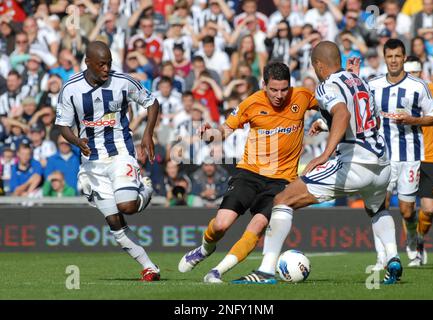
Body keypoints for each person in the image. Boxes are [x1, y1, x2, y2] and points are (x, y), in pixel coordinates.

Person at [234, 41, 403, 285]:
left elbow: (343, 113)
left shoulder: (326, 85)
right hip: (382, 163)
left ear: (319, 65)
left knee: (282, 200)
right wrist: (325, 124)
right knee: (377, 209)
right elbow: (365, 117)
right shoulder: (359, 80)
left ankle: (265, 271)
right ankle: (393, 258)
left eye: (314, 67)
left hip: (355, 162)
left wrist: (325, 154)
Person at [177, 62, 318, 283]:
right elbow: (225, 130)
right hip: (250, 173)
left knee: (259, 225)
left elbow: (334, 106)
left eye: (284, 89)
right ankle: (205, 249)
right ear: (264, 85)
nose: (279, 95)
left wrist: (323, 123)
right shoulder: (251, 103)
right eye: (274, 89)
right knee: (222, 224)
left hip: (281, 181)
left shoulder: (302, 96)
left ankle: (217, 272)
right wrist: (209, 134)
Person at [55, 41, 161, 282]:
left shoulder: (123, 82)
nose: (106, 68)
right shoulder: (71, 88)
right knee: (115, 222)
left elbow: (152, 102)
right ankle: (149, 267)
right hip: (92, 163)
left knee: (128, 207)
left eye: (109, 63)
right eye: (101, 64)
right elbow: (62, 124)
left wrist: (147, 133)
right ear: (88, 63)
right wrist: (75, 140)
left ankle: (145, 188)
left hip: (120, 152)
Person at [368, 39, 433, 268]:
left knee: (407, 210)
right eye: (390, 56)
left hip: (409, 156)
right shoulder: (374, 85)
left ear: (404, 57)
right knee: (380, 204)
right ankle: (383, 256)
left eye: (398, 56)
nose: (394, 60)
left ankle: (413, 239)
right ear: (384, 57)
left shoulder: (418, 86)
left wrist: (413, 120)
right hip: (383, 157)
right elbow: (360, 113)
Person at [389, 56, 433, 266]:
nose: (413, 77)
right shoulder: (395, 90)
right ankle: (412, 242)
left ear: (421, 72)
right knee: (408, 208)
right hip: (406, 155)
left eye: (416, 73)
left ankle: (418, 238)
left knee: (430, 209)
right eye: (409, 74)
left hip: (429, 156)